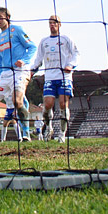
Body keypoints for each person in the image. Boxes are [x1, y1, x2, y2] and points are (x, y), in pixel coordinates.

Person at [0, 7, 36, 144]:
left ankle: (26, 135)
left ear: (7, 18)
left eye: (0, 17)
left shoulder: (17, 30)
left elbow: (32, 46)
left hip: (19, 71)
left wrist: (24, 60)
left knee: (17, 102)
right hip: (4, 75)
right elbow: (0, 60)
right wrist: (0, 75)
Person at [31, 15, 80, 143]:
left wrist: (71, 65)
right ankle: (48, 127)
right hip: (50, 77)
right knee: (47, 105)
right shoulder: (44, 41)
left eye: (55, 22)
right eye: (50, 23)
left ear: (59, 24)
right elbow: (38, 59)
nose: (52, 25)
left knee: (63, 104)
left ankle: (62, 135)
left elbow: (76, 53)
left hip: (64, 76)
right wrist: (32, 70)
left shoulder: (66, 39)